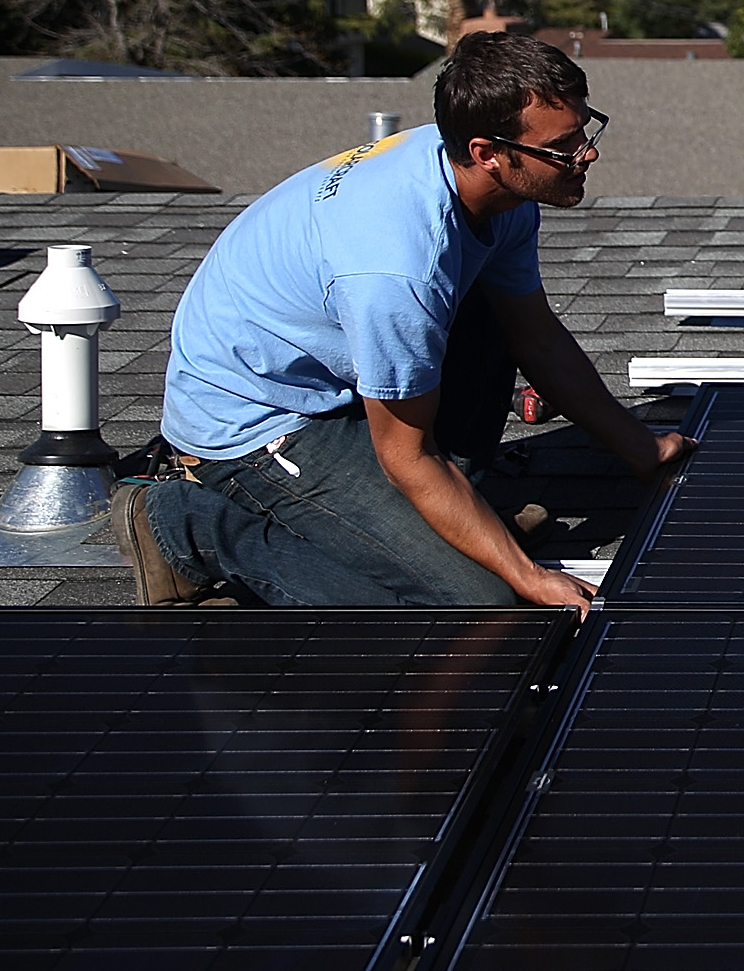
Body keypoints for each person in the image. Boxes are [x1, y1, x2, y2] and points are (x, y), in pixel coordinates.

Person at [116, 31, 692, 608]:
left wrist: (641, 448)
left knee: (492, 316)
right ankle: (187, 528)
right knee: (475, 604)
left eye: (584, 131)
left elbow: (535, 336)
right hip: (257, 423)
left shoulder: (497, 192)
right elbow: (408, 456)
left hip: (339, 377)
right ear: (488, 152)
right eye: (564, 146)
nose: (586, 154)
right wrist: (526, 574)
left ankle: (431, 525)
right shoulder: (397, 269)